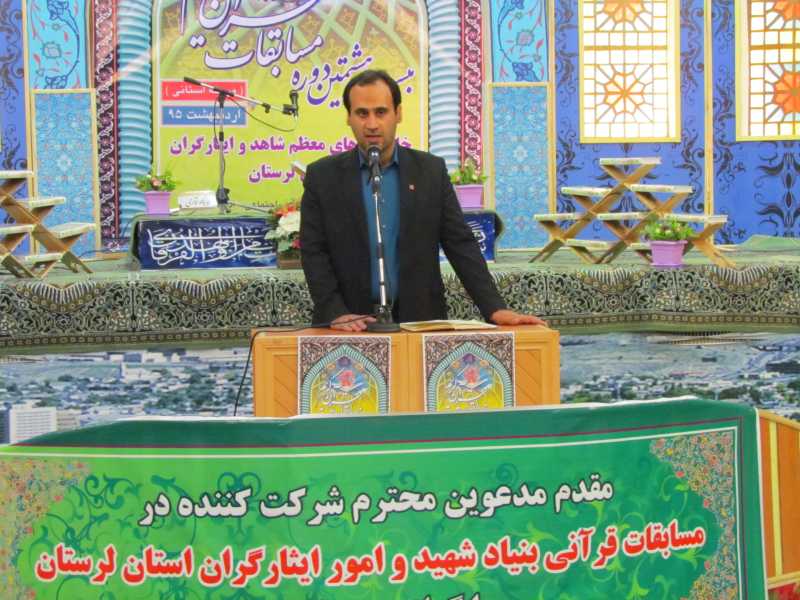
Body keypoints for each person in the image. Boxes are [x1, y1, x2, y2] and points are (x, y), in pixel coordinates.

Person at [299, 69, 546, 332]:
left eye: (381, 112)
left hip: (420, 323)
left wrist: (495, 308)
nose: (371, 124)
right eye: (362, 113)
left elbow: (460, 244)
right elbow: (314, 252)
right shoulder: (322, 177)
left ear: (398, 113)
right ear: (348, 117)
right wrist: (336, 312)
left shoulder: (430, 172)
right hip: (349, 326)